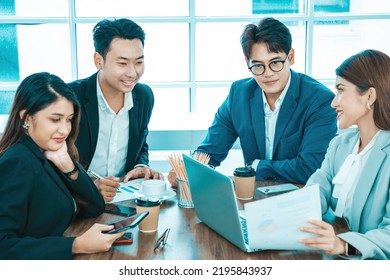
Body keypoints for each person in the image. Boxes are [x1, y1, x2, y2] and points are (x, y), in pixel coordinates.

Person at [169, 17, 337, 186]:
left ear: (291, 57)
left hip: (300, 199)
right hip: (253, 199)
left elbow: (310, 168)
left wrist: (256, 166)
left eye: (276, 63)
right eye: (258, 65)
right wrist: (187, 170)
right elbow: (210, 152)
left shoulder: (320, 101)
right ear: (247, 63)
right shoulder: (239, 94)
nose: (267, 74)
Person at [0, 72, 124, 259]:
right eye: (55, 119)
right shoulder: (17, 163)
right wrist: (76, 245)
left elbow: (95, 207)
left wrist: (68, 166)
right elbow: (3, 246)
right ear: (26, 117)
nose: (65, 130)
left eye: (69, 119)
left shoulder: (48, 152)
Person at [300, 49, 390, 260]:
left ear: (369, 95)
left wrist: (342, 244)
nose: (334, 102)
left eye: (341, 90)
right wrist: (291, 213)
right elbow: (318, 186)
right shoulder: (341, 143)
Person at [68, 18, 163, 202]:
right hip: (77, 202)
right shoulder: (71, 97)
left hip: (123, 201)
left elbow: (141, 142)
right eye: (122, 63)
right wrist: (88, 187)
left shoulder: (144, 96)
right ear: (98, 61)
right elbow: (55, 159)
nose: (132, 73)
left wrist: (140, 165)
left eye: (138, 62)